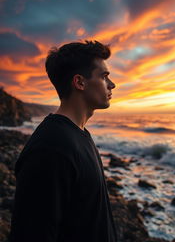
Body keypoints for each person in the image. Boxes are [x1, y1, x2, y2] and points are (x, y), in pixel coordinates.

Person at [9, 40, 117, 242]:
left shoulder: (79, 134)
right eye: (104, 77)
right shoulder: (50, 147)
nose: (112, 85)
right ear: (79, 82)